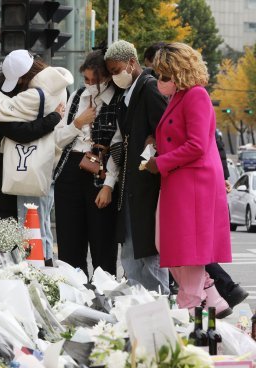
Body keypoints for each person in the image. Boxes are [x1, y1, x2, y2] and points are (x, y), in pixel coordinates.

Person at [146, 43, 248, 307]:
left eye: (165, 75)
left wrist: (161, 162)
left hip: (193, 183)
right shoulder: (180, 96)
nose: (160, 80)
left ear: (178, 72)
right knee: (169, 245)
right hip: (181, 181)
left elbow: (197, 145)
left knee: (186, 250)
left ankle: (191, 303)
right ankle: (210, 296)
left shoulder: (195, 95)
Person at [105, 40, 169, 292]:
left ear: (132, 63)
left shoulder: (150, 88)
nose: (114, 75)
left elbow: (166, 127)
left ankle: (158, 306)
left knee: (148, 250)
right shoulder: (128, 92)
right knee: (132, 249)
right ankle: (135, 307)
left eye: (115, 69)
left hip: (148, 181)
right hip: (133, 182)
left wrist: (154, 140)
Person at [52, 49, 123, 276]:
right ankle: (74, 291)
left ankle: (103, 294)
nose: (91, 85)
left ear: (108, 77)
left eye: (97, 80)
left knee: (102, 242)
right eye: (87, 79)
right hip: (69, 169)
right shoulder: (77, 97)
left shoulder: (118, 101)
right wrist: (77, 123)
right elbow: (57, 138)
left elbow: (119, 146)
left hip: (100, 173)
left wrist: (109, 185)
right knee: (69, 240)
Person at [0, 50, 66, 221]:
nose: (19, 82)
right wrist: (53, 118)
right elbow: (19, 131)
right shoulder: (7, 102)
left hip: (8, 170)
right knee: (31, 227)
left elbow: (19, 131)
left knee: (16, 226)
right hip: (12, 171)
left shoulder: (29, 97)